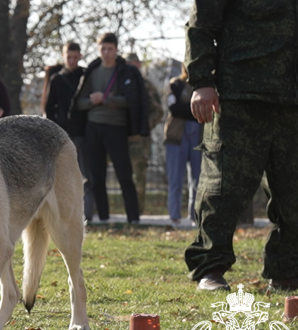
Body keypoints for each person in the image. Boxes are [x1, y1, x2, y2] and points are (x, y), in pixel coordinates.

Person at [185, 0, 298, 292]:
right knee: (223, 189)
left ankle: (287, 270)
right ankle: (210, 268)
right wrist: (202, 82)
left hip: (295, 101)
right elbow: (200, 28)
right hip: (240, 100)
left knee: (296, 192)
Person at [69, 32, 149, 224]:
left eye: (110, 49)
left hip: (117, 128)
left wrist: (105, 100)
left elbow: (132, 101)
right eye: (103, 48)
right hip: (93, 128)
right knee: (96, 176)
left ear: (116, 49)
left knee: (124, 175)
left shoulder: (126, 72)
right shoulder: (92, 71)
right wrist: (93, 101)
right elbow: (79, 102)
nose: (106, 52)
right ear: (98, 49)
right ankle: (103, 219)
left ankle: (133, 219)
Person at [45, 42, 95, 220]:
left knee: (86, 176)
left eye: (75, 57)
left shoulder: (86, 76)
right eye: (69, 57)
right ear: (63, 56)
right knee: (63, 178)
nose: (72, 60)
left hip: (84, 132)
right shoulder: (57, 79)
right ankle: (65, 215)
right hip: (63, 135)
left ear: (80, 56)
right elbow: (50, 108)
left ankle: (86, 214)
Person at [125, 53, 165, 214]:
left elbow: (158, 111)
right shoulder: (122, 84)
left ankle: (137, 215)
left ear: (139, 65)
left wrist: (143, 129)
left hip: (140, 143)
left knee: (139, 180)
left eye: (133, 64)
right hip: (121, 140)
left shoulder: (146, 86)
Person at [164, 65, 202, 226]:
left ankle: (195, 216)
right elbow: (174, 108)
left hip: (199, 136)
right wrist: (195, 109)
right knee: (176, 179)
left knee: (198, 179)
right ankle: (174, 217)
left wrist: (184, 107)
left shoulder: (204, 85)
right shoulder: (175, 84)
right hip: (176, 137)